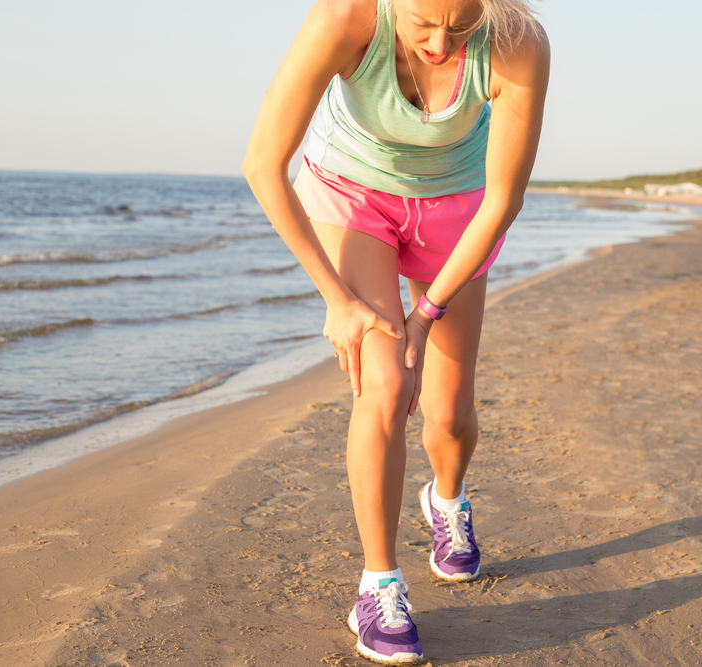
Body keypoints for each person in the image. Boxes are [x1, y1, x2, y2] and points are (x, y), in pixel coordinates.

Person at [243, 0, 549, 661]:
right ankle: (379, 583)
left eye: (460, 26)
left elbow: (504, 199)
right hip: (355, 193)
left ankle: (447, 499)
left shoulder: (519, 44)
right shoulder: (344, 19)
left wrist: (427, 310)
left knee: (447, 413)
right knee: (384, 384)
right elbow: (263, 165)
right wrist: (335, 297)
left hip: (459, 211)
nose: (441, 44)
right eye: (423, 24)